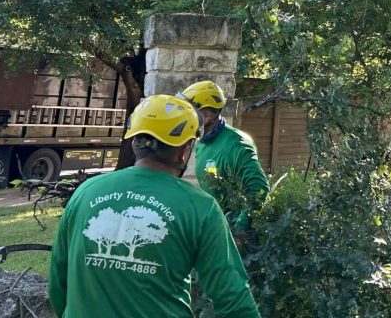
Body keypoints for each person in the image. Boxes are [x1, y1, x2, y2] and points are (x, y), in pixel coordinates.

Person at [48, 95, 260, 318]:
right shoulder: (201, 208)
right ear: (185, 150)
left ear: (134, 142)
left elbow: (58, 279)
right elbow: (234, 300)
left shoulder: (86, 191)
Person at [178, 80, 270, 232]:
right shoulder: (203, 141)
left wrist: (240, 231)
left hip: (230, 233)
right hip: (214, 227)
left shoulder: (236, 145)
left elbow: (259, 189)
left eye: (190, 110)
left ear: (206, 114)